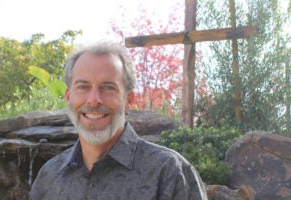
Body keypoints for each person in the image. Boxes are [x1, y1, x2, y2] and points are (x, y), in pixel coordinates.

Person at [30, 41, 208, 200]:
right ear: (68, 97)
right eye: (83, 87)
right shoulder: (49, 177)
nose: (93, 100)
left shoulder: (169, 173)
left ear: (129, 100)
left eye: (108, 88)